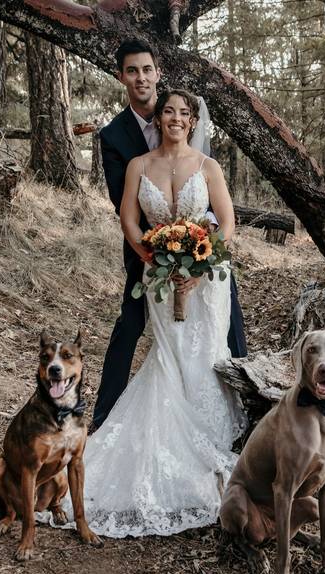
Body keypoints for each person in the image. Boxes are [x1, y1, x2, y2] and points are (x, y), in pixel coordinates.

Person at [65, 87, 246, 538]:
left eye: (184, 113)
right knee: (167, 357)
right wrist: (147, 255)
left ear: (193, 121)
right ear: (159, 118)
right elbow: (128, 217)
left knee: (204, 356)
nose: (176, 118)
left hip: (205, 285)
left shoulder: (209, 167)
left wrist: (201, 269)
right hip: (160, 279)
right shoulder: (137, 166)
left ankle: (208, 441)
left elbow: (226, 223)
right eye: (169, 111)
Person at [92, 39, 247, 433]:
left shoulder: (195, 142)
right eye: (132, 71)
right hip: (148, 250)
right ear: (121, 77)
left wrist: (200, 246)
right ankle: (105, 415)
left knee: (227, 319)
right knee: (130, 324)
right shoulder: (114, 137)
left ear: (157, 73)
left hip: (201, 249)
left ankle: (245, 404)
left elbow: (216, 206)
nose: (141, 77)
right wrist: (156, 253)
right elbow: (123, 206)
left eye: (147, 69)